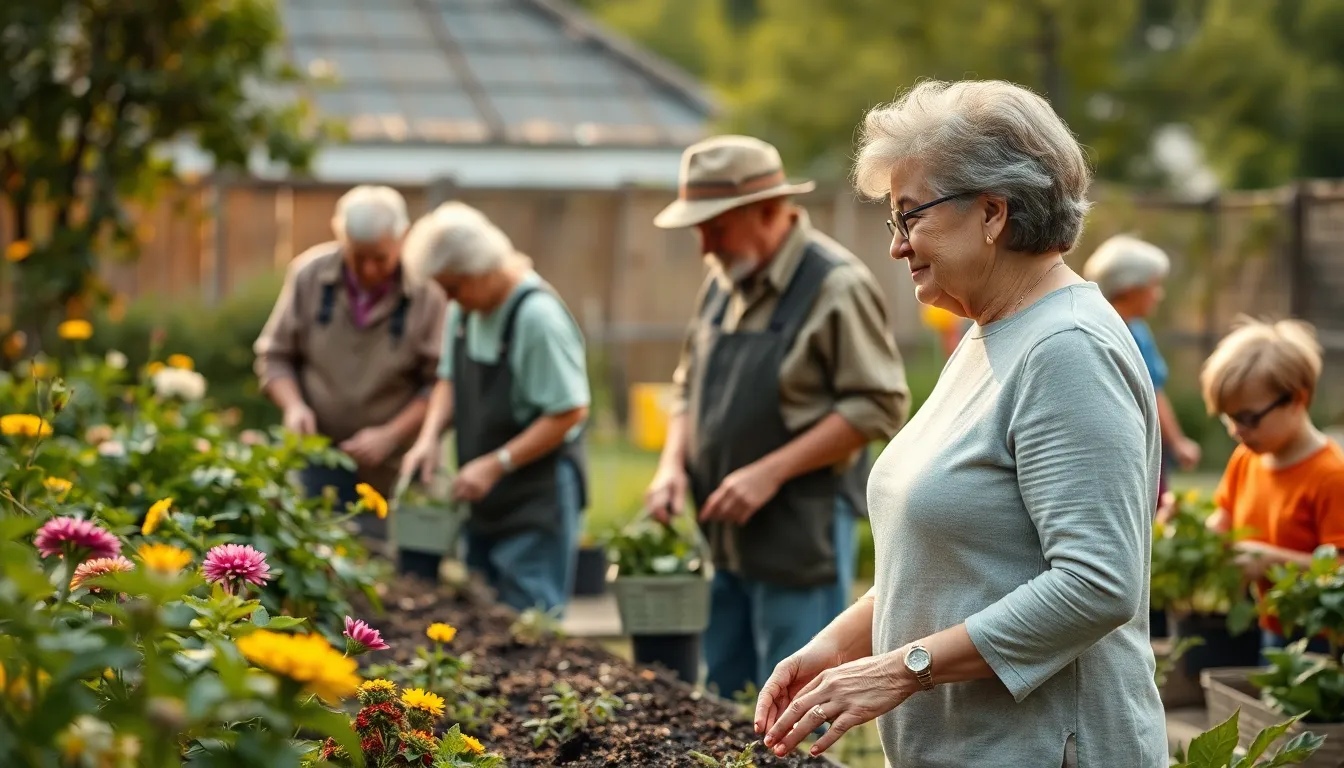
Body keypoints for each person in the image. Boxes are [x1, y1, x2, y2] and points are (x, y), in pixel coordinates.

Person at [755, 80, 1166, 766]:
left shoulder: (1066, 349)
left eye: (909, 216)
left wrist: (897, 669)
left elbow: (1097, 585)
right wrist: (839, 647)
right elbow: (963, 555)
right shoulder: (990, 333)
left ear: (993, 213)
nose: (897, 246)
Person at [645, 134, 910, 700]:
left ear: (767, 212)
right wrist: (671, 466)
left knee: (791, 707)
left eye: (713, 227)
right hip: (722, 531)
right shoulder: (723, 282)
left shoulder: (834, 285)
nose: (703, 246)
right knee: (723, 700)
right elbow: (687, 383)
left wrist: (769, 471)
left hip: (798, 533)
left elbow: (879, 404)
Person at [400, 202, 590, 615]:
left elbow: (570, 411)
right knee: (483, 618)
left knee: (529, 623)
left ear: (482, 269)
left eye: (453, 287)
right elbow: (448, 379)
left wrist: (496, 463)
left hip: (536, 499)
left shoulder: (536, 318)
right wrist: (429, 438)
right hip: (487, 499)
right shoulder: (464, 311)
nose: (447, 299)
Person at [254, 185, 446, 539]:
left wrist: (391, 434)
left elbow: (440, 383)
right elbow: (275, 356)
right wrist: (294, 406)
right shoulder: (309, 274)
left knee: (402, 573)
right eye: (358, 257)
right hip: (318, 458)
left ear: (403, 238)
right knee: (316, 554)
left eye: (381, 258)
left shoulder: (429, 290)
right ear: (339, 236)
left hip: (398, 465)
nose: (370, 270)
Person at [1201, 318, 1344, 657]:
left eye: (1248, 418)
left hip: (1323, 641)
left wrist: (1269, 561)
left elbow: (1338, 569)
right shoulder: (1246, 459)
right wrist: (1194, 533)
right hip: (1270, 626)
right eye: (1229, 418)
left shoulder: (1331, 475)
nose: (1236, 430)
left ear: (1296, 399)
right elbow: (1224, 519)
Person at [1083, 234, 1202, 508]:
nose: (1158, 295)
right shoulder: (1122, 333)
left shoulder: (1136, 330)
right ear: (1129, 288)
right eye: (1154, 285)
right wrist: (1179, 442)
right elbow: (1154, 395)